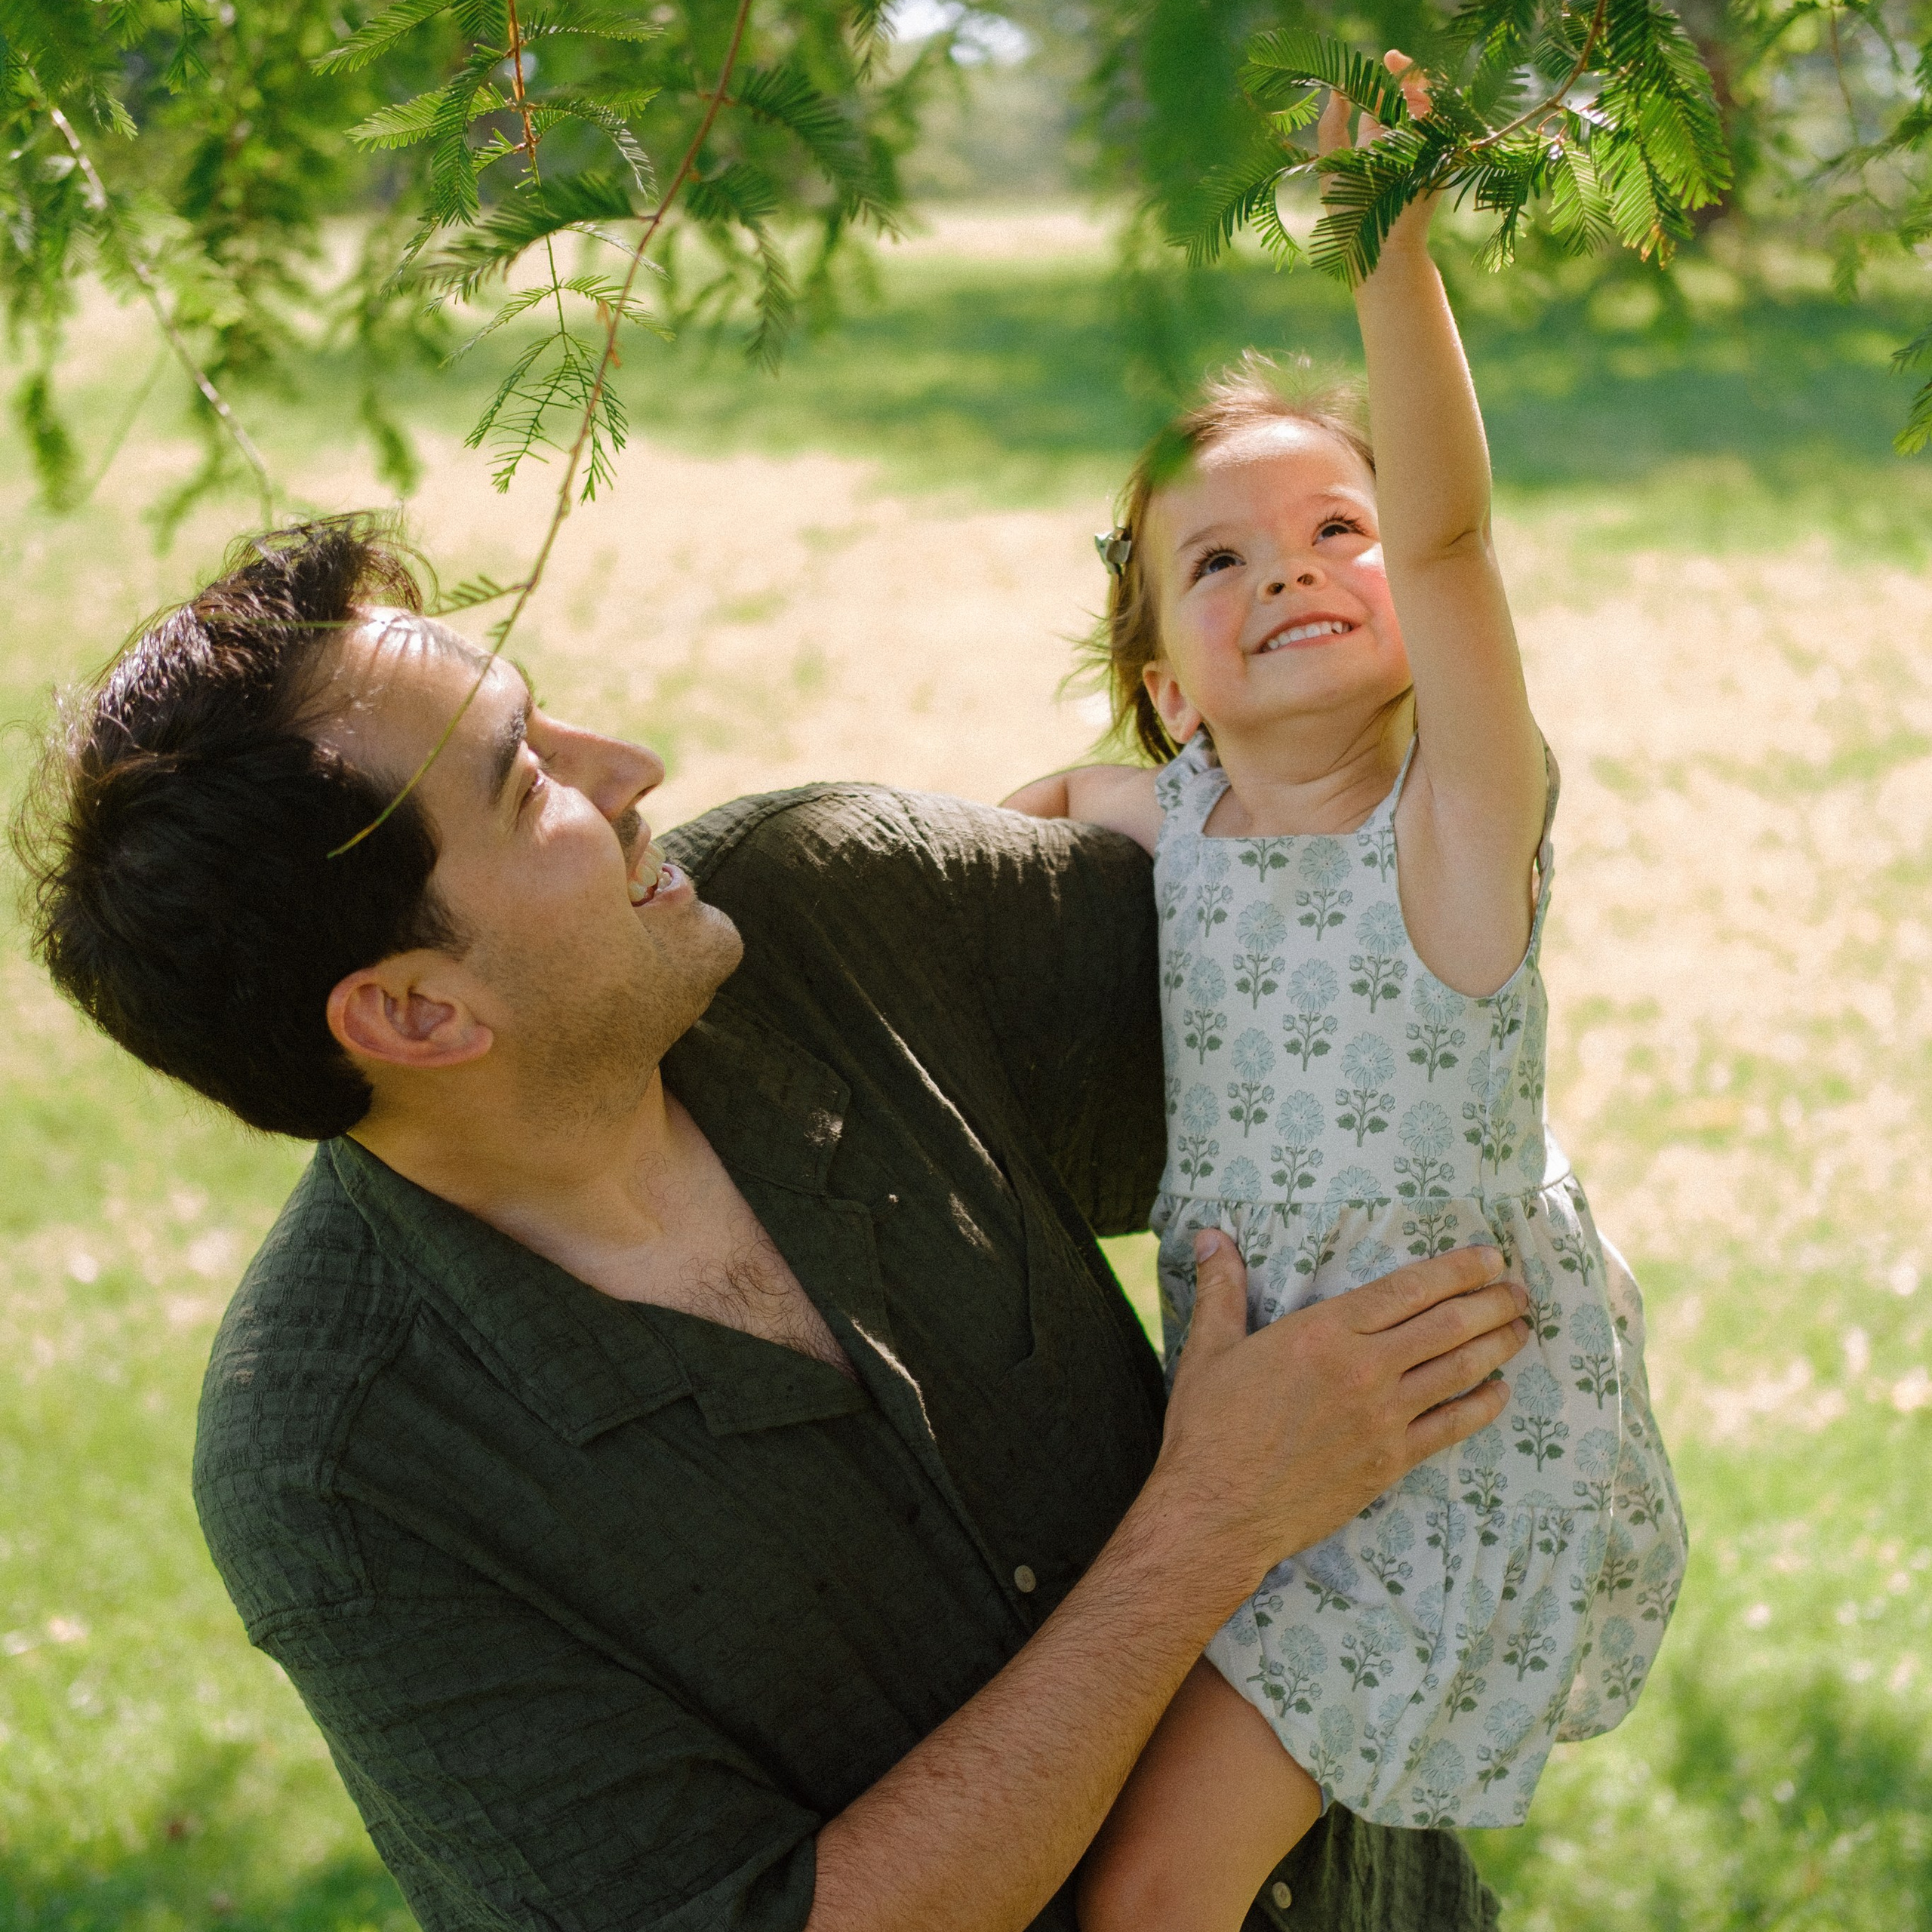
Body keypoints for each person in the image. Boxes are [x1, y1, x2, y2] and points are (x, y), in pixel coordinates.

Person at [13, 515, 1531, 1931]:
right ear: (413, 1008)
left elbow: (1366, 953)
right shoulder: (340, 1469)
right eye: (524, 778)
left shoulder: (836, 904)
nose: (626, 763)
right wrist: (1206, 1522)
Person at [1002, 57, 1687, 1932]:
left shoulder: (1456, 821)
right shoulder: (1189, 810)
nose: (1290, 570)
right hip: (1248, 1435)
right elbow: (1059, 805)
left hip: (1429, 1447)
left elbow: (1455, 537)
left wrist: (1380, 237)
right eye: (1217, 561)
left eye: (1333, 533)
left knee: (1148, 1893)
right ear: (1165, 682)